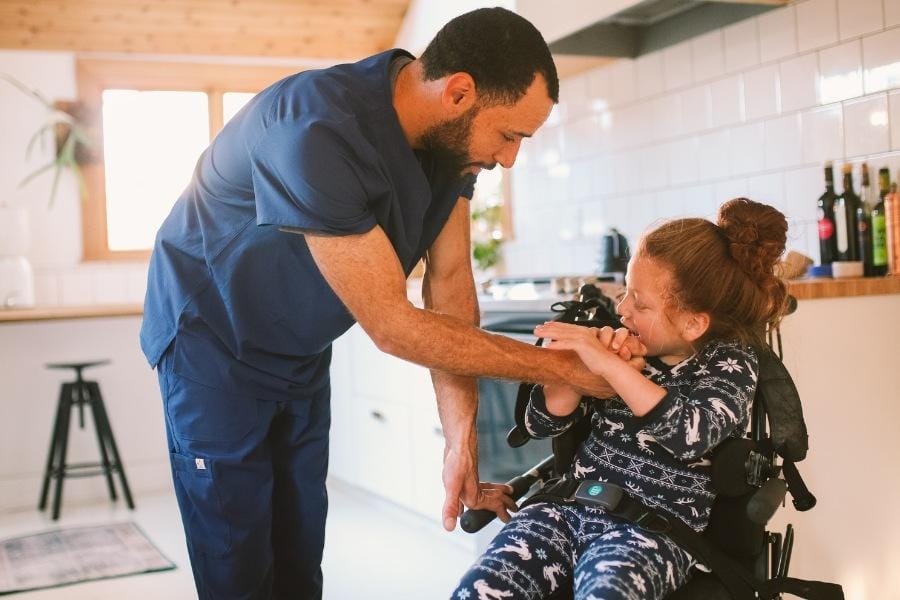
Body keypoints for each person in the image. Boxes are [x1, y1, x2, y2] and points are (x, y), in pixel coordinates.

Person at [140, 7, 645, 599]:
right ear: (459, 92)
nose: (510, 158)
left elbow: (450, 284)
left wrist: (462, 441)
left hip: (298, 350)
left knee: (300, 555)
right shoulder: (316, 129)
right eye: (510, 135)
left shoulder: (448, 146)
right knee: (239, 565)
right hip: (211, 347)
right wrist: (565, 370)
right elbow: (393, 325)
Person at [452, 198, 789, 600]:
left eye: (640, 303)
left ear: (693, 322)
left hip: (650, 531)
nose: (622, 309)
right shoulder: (620, 344)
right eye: (626, 291)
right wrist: (573, 373)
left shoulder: (729, 364)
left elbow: (691, 436)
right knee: (482, 589)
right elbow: (542, 426)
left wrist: (613, 370)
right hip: (563, 508)